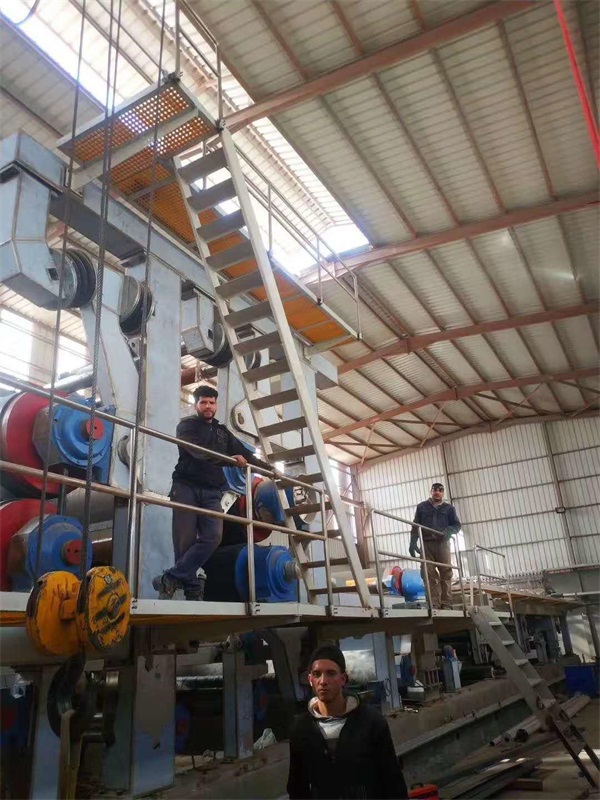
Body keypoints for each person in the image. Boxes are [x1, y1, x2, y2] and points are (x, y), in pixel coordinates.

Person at [153, 384, 270, 601]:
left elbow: (245, 455)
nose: (208, 406)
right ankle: (191, 590)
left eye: (211, 402)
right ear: (196, 404)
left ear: (216, 405)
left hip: (212, 491)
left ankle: (171, 577)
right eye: (203, 402)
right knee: (184, 541)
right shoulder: (186, 427)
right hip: (186, 486)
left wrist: (271, 471)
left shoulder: (222, 432)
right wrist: (228, 460)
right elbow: (198, 452)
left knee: (213, 536)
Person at [287, 644, 408, 800]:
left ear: (343, 679)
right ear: (310, 680)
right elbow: (296, 786)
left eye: (331, 673)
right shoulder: (302, 728)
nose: (323, 681)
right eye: (317, 674)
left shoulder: (371, 722)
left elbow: (392, 781)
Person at [409, 482, 461, 610]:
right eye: (435, 490)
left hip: (442, 544)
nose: (437, 492)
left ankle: (446, 603)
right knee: (428, 573)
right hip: (426, 544)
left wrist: (450, 530)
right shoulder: (422, 507)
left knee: (446, 573)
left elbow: (457, 525)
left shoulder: (449, 509)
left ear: (443, 493)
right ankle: (434, 604)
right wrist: (413, 541)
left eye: (440, 490)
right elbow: (416, 525)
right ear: (431, 492)